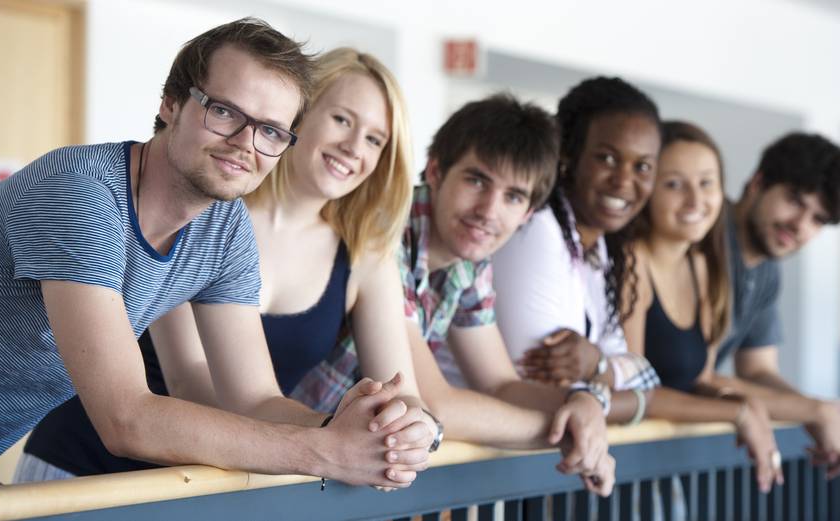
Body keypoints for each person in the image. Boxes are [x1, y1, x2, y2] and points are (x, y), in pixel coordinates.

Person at [0, 18, 426, 488]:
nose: (245, 144)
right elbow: (126, 418)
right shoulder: (82, 198)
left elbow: (254, 400)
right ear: (171, 103)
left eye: (270, 131)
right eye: (225, 112)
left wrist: (345, 430)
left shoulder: (224, 229)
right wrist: (325, 453)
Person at [294, 94, 616, 496]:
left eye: (513, 196)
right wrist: (566, 431)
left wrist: (581, 401)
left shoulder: (470, 261)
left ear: (528, 213)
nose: (488, 210)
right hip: (286, 460)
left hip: (333, 470)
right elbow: (434, 403)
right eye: (477, 180)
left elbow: (499, 383)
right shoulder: (389, 229)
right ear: (435, 170)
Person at [621, 121, 782, 493]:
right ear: (647, 189)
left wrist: (746, 403)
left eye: (707, 183)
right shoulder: (631, 262)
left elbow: (703, 379)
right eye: (674, 184)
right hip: (617, 469)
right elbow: (634, 391)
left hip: (665, 471)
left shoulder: (701, 265)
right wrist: (737, 412)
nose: (695, 202)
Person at [492, 76, 664, 421]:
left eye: (642, 166)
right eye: (607, 158)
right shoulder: (537, 230)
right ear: (568, 154)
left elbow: (642, 374)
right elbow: (543, 384)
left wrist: (597, 364)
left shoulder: (599, 246)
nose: (624, 181)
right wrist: (614, 382)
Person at [711, 132, 840, 481]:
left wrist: (824, 412)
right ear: (758, 183)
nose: (800, 225)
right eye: (794, 200)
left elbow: (756, 370)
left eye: (818, 219)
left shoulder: (767, 270)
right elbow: (696, 377)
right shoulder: (702, 229)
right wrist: (813, 411)